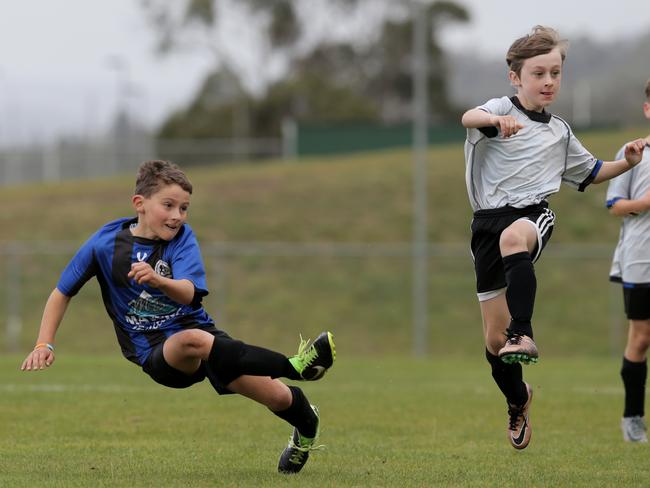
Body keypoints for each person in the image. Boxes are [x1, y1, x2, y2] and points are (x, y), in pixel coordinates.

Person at [20, 159, 336, 473]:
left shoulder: (183, 238)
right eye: (168, 205)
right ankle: (295, 365)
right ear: (139, 204)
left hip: (201, 333)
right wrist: (43, 344)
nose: (176, 216)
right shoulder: (104, 243)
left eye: (183, 208)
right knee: (192, 341)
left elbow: (188, 292)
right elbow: (62, 292)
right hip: (155, 351)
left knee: (278, 397)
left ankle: (306, 431)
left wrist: (158, 280)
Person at [461, 25, 646, 450]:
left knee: (515, 239)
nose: (548, 82)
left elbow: (593, 171)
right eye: (539, 73)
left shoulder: (559, 133)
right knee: (493, 342)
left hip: (532, 216)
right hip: (485, 226)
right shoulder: (495, 112)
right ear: (515, 77)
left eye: (556, 73)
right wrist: (494, 120)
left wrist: (628, 162)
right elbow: (467, 118)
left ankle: (523, 331)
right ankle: (518, 398)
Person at [606, 78, 650, 443]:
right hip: (641, 259)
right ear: (648, 110)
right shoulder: (634, 151)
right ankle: (633, 418)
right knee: (641, 337)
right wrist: (645, 202)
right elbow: (615, 205)